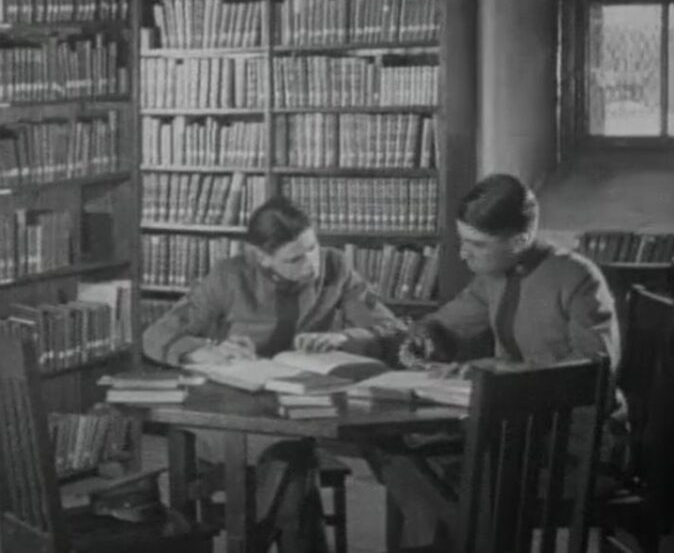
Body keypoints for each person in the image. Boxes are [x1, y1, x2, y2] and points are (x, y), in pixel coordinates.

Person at [362, 173, 625, 548]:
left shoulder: (578, 278)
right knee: (389, 447)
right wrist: (424, 340)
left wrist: (498, 373)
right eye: (462, 241)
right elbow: (445, 323)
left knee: (442, 475)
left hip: (574, 449)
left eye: (477, 244)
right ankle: (457, 537)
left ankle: (458, 538)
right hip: (509, 435)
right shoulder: (492, 277)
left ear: (520, 240)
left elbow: (594, 374)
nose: (463, 254)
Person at [143, 196, 407, 553]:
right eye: (294, 259)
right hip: (230, 412)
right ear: (261, 257)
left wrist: (343, 337)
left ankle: (251, 544)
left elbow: (392, 330)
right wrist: (204, 349)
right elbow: (155, 336)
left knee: (293, 456)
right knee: (293, 461)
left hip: (298, 407)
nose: (310, 264)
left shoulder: (335, 268)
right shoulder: (230, 276)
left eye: (312, 248)